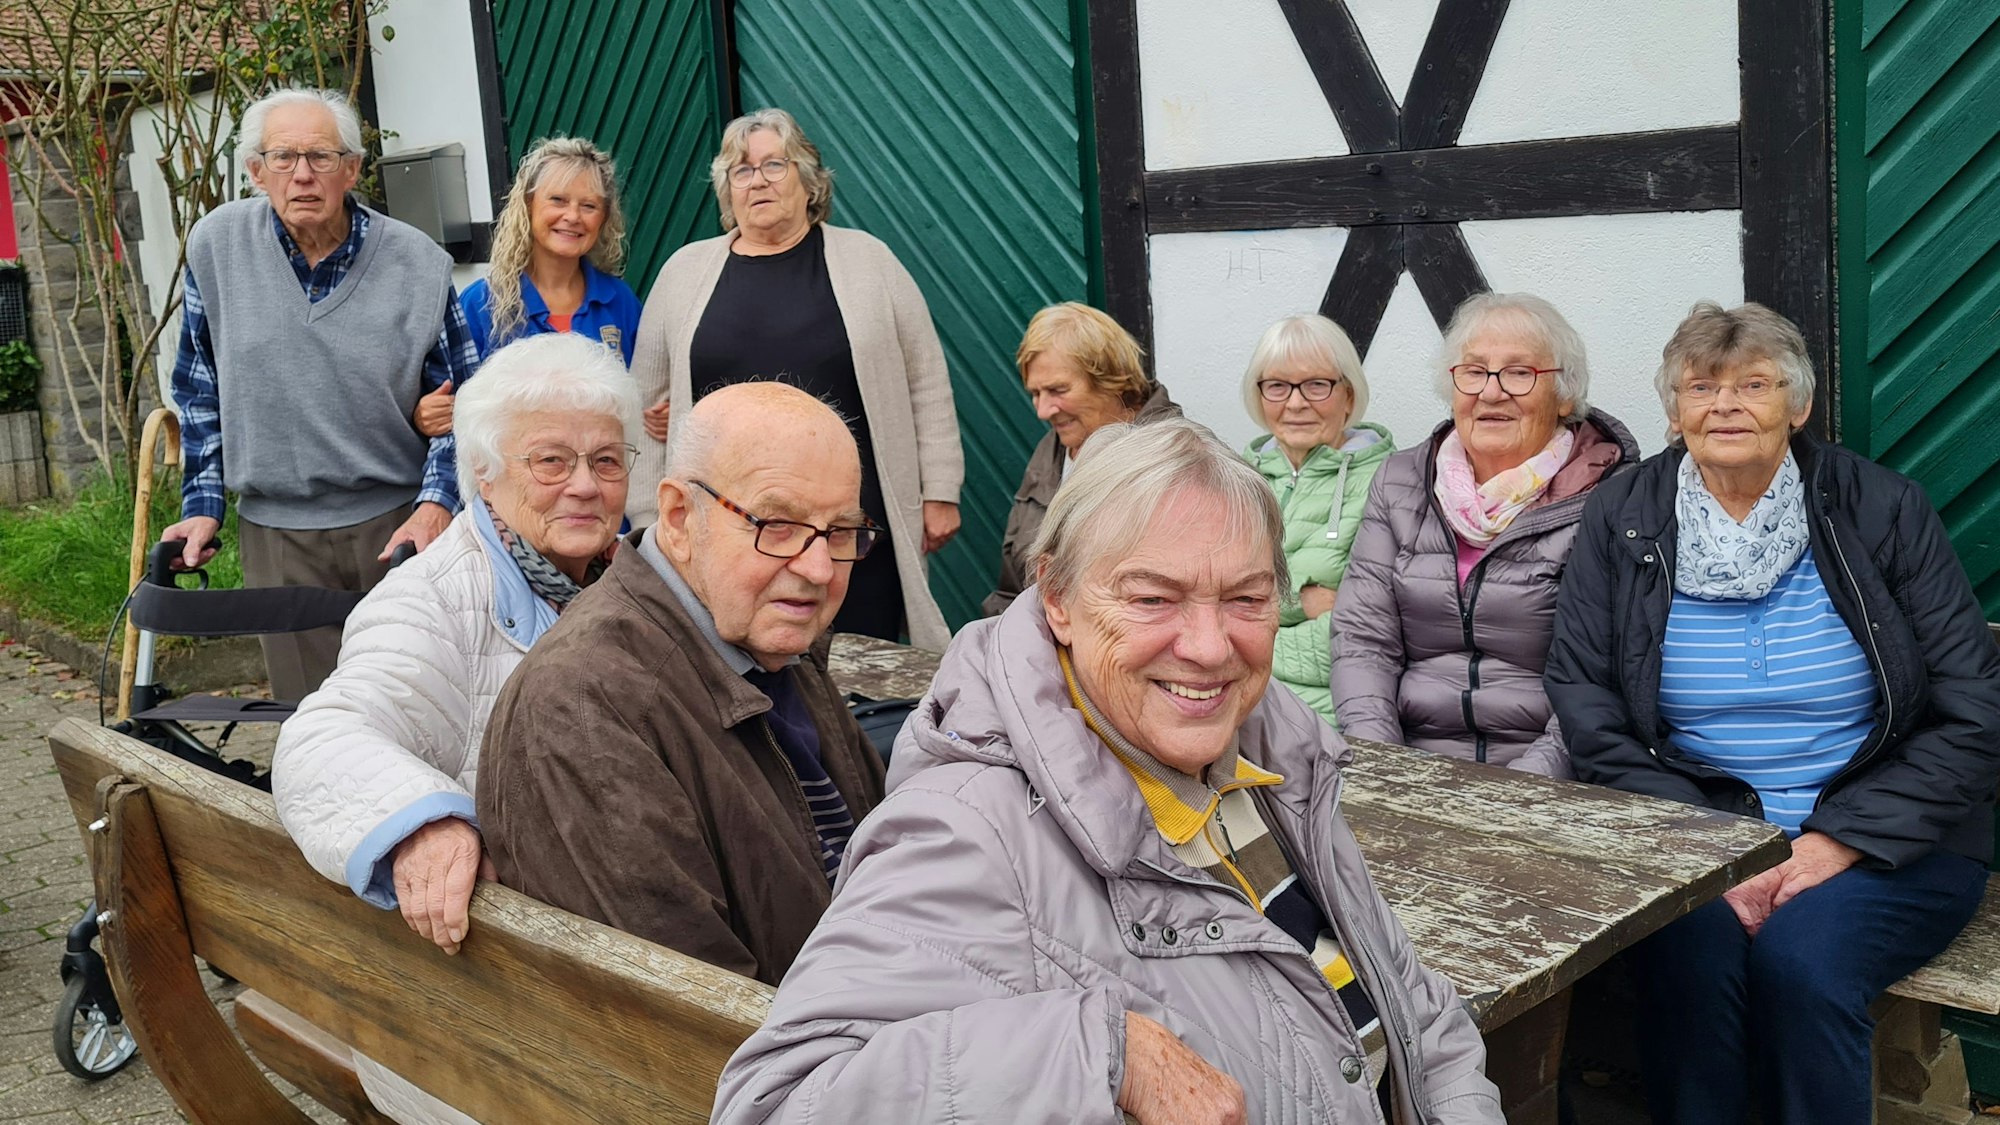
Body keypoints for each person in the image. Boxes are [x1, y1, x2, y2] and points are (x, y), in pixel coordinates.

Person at [713, 419, 1502, 1125]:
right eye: (1154, 597)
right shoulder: (970, 828)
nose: (1209, 645)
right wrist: (1103, 1052)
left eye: (1247, 597)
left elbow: (1417, 1004)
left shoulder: (1273, 753)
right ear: (1056, 597)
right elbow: (776, 1103)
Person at [1544, 301, 2000, 1125]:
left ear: (1799, 406)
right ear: (1674, 411)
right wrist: (1719, 852)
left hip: (1889, 836)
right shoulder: (1623, 516)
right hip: (1698, 830)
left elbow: (1972, 704)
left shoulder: (1880, 507)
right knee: (1682, 953)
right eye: (1702, 386)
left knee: (1805, 962)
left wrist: (1842, 839)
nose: (1726, 405)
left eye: (1754, 384)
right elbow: (1586, 699)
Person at [272, 332, 637, 1125]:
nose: (585, 485)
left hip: (587, 983)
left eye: (607, 461)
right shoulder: (430, 600)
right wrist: (427, 819)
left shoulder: (627, 584)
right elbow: (322, 735)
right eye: (551, 461)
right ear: (483, 473)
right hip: (471, 1026)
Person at [476, 381, 887, 985]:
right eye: (776, 524)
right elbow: (694, 1021)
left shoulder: (767, 642)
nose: (819, 568)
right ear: (676, 517)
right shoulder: (586, 708)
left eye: (840, 532)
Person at [159, 87, 477, 701]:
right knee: (306, 721)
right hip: (276, 535)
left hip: (398, 528)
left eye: (322, 157)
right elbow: (199, 390)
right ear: (256, 172)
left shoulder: (417, 262)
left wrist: (437, 504)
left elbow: (466, 404)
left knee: (419, 707)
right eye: (283, 158)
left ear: (352, 169)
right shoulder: (216, 245)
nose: (302, 174)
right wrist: (202, 505)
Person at [626, 107, 961, 649]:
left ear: (808, 180)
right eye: (741, 170)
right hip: (731, 532)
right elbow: (645, 402)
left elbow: (926, 381)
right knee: (738, 664)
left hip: (849, 527)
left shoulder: (869, 262)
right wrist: (650, 515)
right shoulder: (683, 273)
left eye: (773, 165)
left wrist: (940, 490)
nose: (756, 180)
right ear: (727, 190)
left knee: (861, 665)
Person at [1329, 292, 1637, 776]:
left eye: (1519, 373)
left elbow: (1606, 673)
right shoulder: (1400, 481)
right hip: (1407, 761)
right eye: (1473, 372)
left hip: (1553, 771)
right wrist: (1382, 768)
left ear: (1565, 395)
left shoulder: (1612, 497)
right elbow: (1364, 641)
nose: (1491, 393)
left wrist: (1518, 792)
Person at [1240, 314, 1393, 720]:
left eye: (1315, 385)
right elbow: (1203, 608)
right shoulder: (1234, 478)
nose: (1295, 403)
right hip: (1237, 708)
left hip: (1335, 716)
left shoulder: (1390, 483)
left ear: (1347, 394)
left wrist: (1245, 626)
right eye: (1277, 386)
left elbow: (1369, 637)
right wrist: (1301, 602)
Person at [982, 301, 1179, 616]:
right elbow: (1011, 589)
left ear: (1111, 379)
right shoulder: (1051, 452)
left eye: (1058, 390)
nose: (1042, 411)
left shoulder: (1173, 458)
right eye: (1035, 393)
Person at [450, 136, 640, 370]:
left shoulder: (620, 302)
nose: (573, 216)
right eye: (558, 200)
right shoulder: (481, 303)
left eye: (588, 206)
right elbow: (456, 401)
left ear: (604, 218)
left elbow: (640, 393)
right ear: (528, 205)